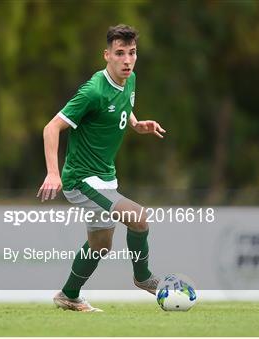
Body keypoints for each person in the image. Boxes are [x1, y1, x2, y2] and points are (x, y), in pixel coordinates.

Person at [37, 24, 166, 312]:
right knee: (139, 218)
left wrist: (135, 123)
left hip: (104, 177)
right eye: (119, 53)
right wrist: (53, 172)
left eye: (132, 53)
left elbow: (121, 104)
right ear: (106, 55)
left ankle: (68, 295)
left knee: (101, 245)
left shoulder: (129, 80)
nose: (127, 60)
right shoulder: (92, 91)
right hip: (81, 179)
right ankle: (143, 278)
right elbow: (51, 128)